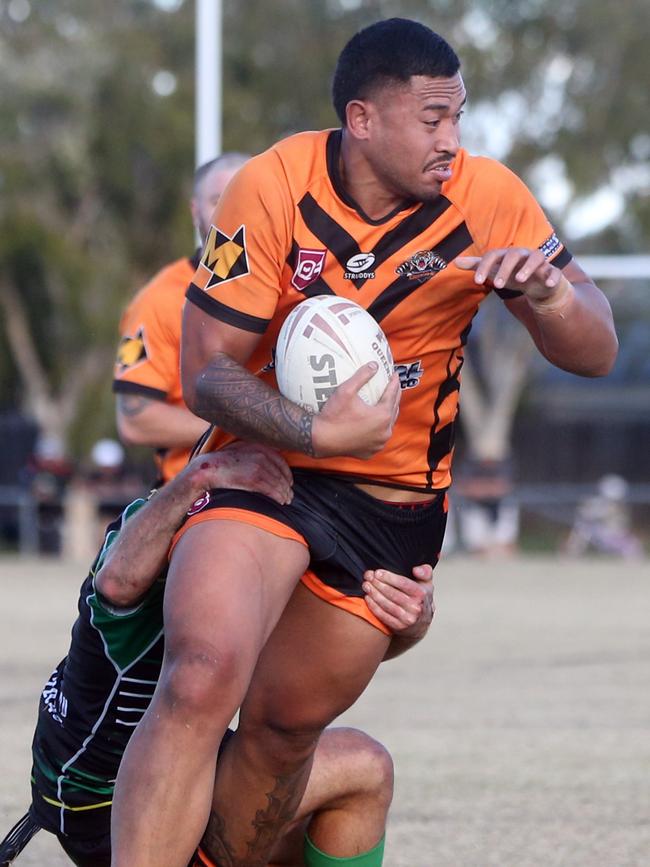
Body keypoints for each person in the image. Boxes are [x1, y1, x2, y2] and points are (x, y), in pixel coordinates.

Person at [111, 18, 618, 866]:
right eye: (432, 119)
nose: (452, 141)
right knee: (202, 672)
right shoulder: (273, 185)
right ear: (363, 118)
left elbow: (596, 347)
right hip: (265, 470)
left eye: (458, 117)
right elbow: (205, 370)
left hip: (391, 509)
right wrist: (315, 429)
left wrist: (550, 298)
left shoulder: (490, 198)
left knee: (282, 730)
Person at [0, 446, 434, 867]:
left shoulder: (281, 535)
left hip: (190, 774)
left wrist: (408, 625)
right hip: (99, 800)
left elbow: (314, 661)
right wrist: (200, 475)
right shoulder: (170, 514)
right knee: (356, 766)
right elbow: (116, 583)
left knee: (364, 772)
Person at [113, 153, 250, 483]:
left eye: (244, 197)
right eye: (219, 199)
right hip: (201, 492)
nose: (232, 210)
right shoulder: (159, 299)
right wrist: (260, 427)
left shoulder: (300, 286)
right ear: (195, 211)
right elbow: (135, 419)